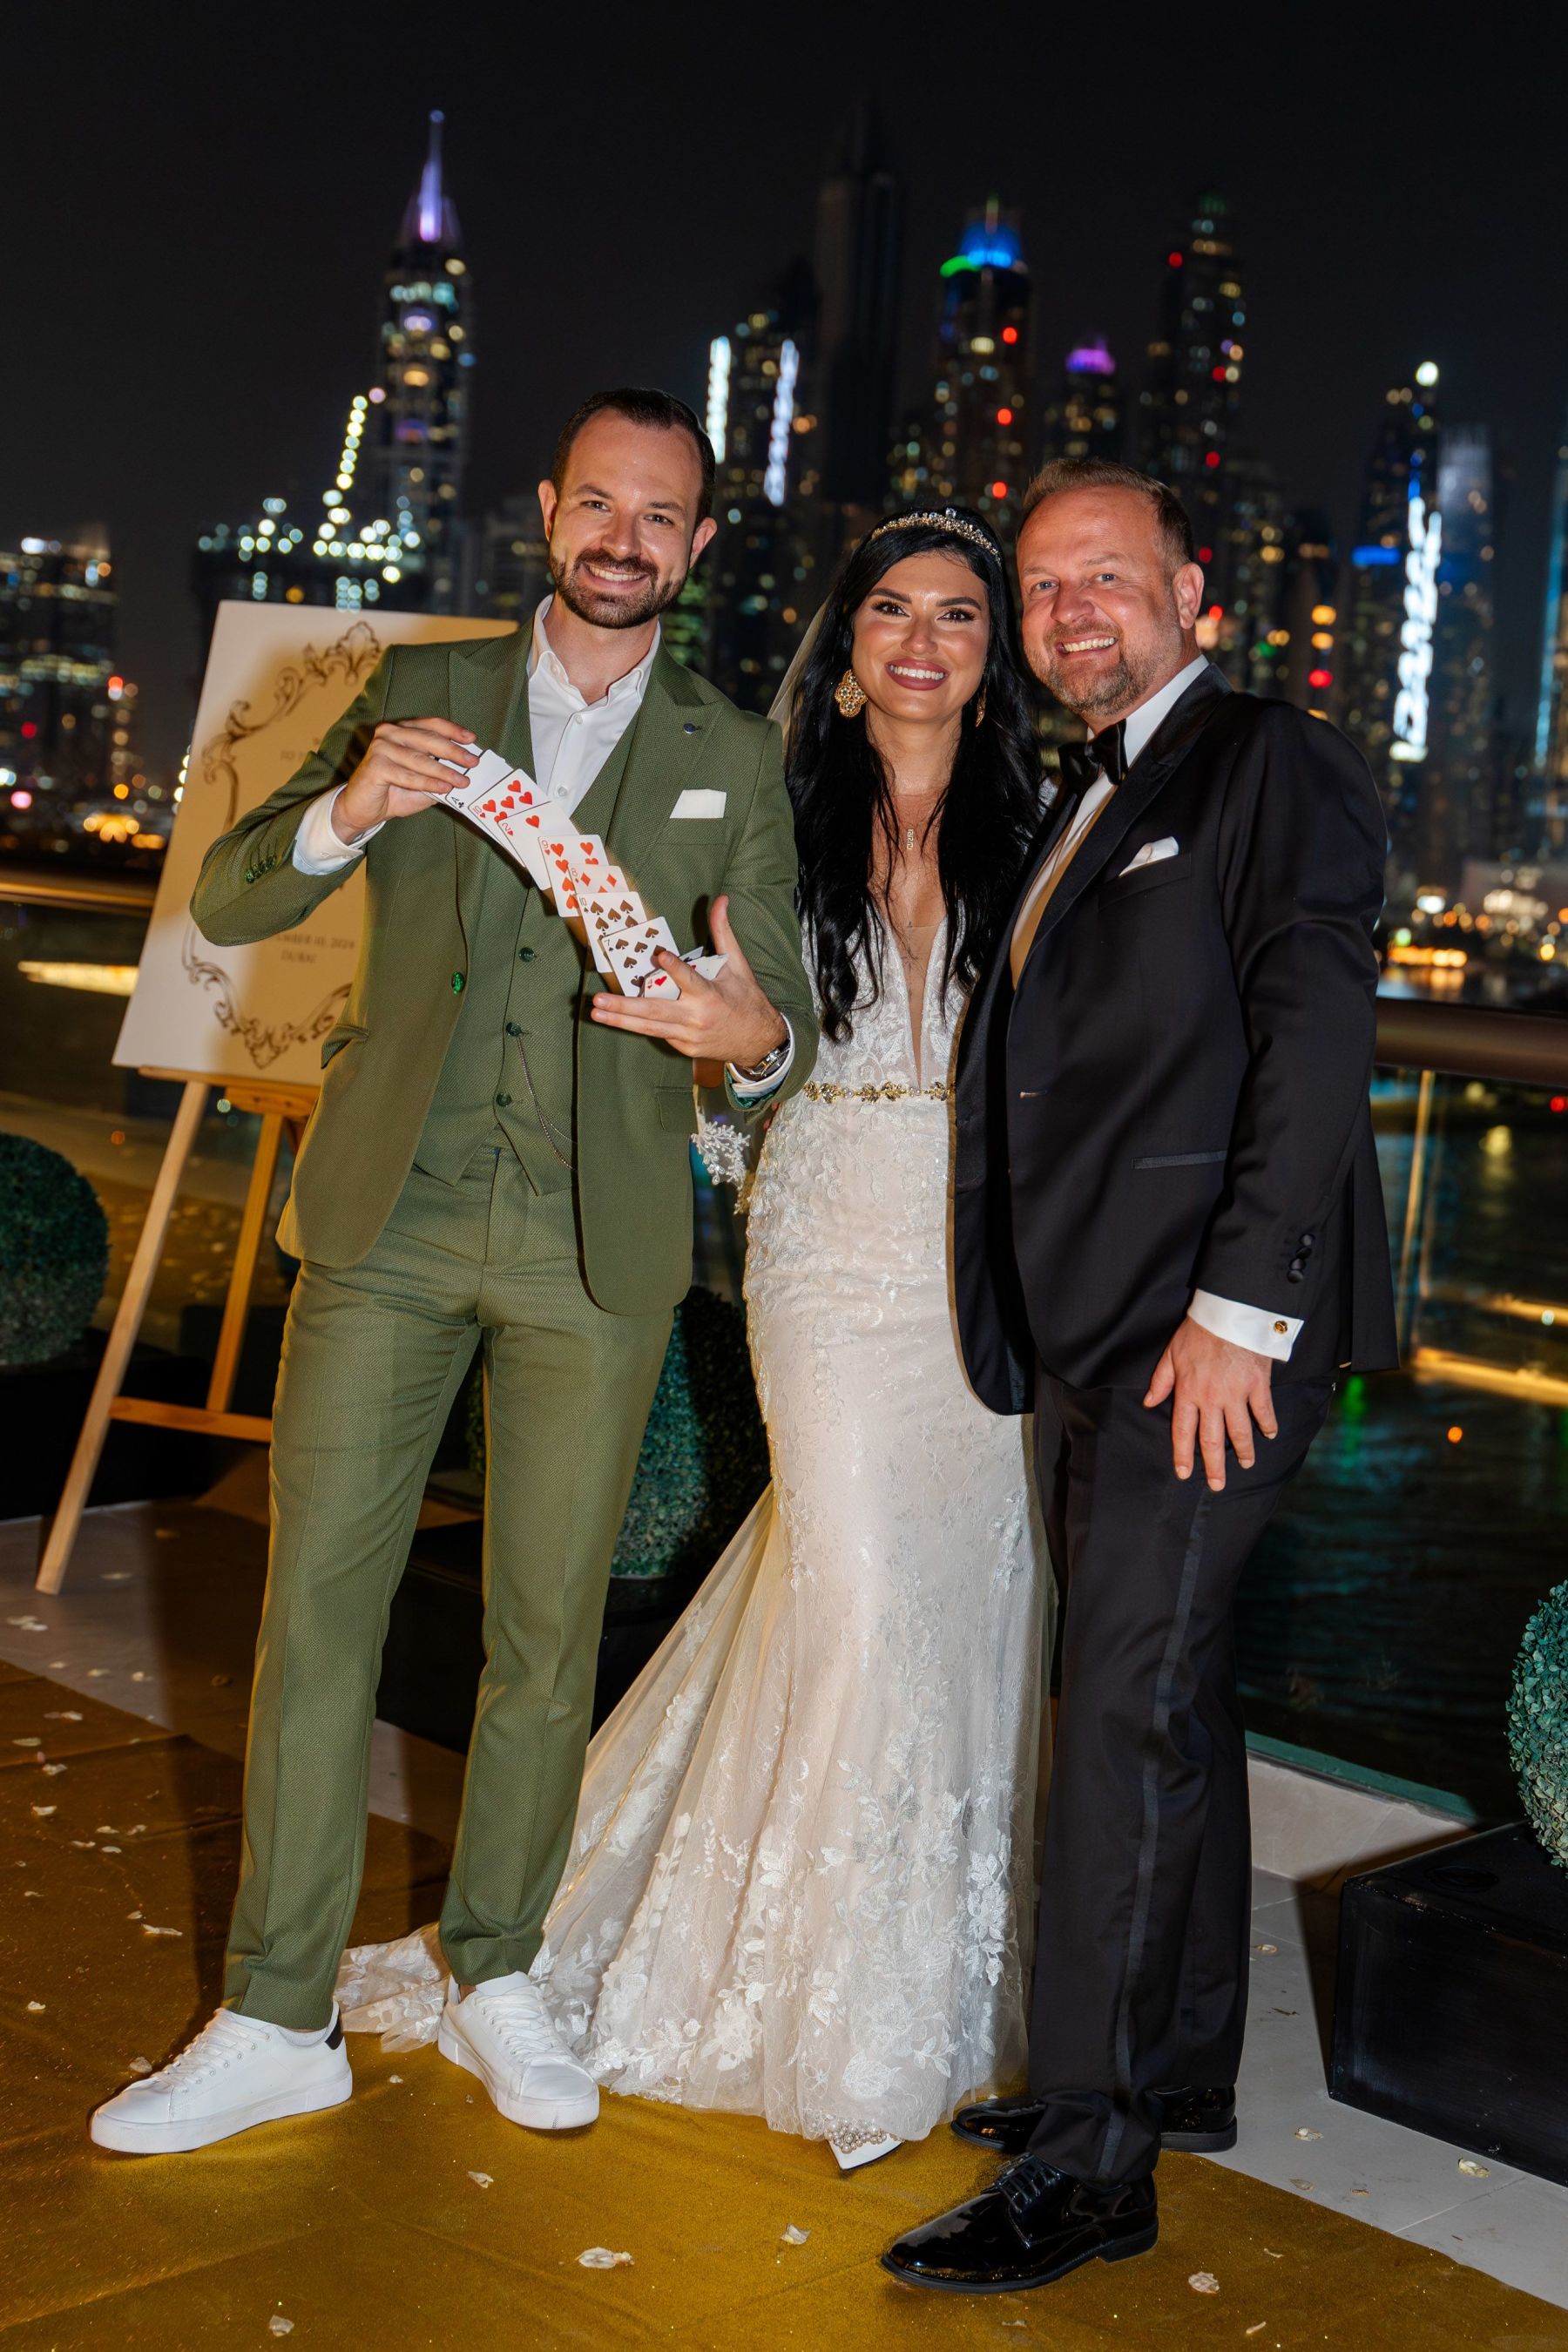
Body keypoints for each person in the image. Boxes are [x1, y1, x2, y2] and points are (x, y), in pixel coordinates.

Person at [91, 388, 817, 2156]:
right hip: (389, 1217)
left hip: (595, 1242)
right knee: (316, 1615)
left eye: (662, 515)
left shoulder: (735, 750)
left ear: (699, 544)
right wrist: (348, 809)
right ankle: (278, 2015)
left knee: (544, 1637)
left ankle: (500, 1969)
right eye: (600, 504)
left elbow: (780, 1019)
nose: (626, 538)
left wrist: (747, 1034)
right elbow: (234, 899)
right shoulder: (418, 690)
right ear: (549, 511)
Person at [335, 506, 1052, 2171]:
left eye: (958, 613)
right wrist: (725, 1042)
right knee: (860, 1587)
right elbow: (702, 1019)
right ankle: (847, 2028)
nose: (923, 640)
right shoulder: (769, 797)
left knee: (971, 1599)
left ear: (991, 651)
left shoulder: (1045, 818)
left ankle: (951, 1993)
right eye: (892, 608)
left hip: (993, 1255)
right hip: (830, 1239)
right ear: (846, 640)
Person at [883, 458, 1396, 2292]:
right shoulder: (1084, 793)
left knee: (1111, 1713)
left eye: (1108, 576)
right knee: (1168, 1699)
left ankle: (1090, 2161)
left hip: (1205, 1341)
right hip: (1096, 1327)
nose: (1067, 612)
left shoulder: (1271, 759)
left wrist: (1242, 1311)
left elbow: (1316, 1031)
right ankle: (1173, 2069)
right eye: (1041, 587)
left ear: (1197, 597)